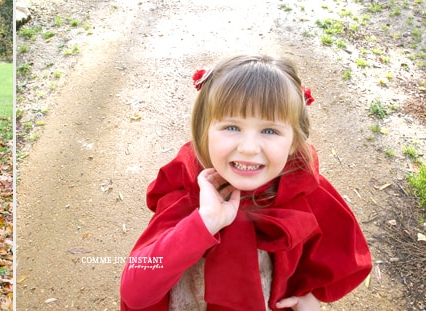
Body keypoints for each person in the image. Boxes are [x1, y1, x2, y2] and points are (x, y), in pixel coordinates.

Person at [119, 54, 372, 311]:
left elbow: (333, 257)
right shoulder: (189, 193)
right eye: (231, 127)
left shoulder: (307, 194)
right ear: (203, 131)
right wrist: (204, 223)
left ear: (294, 141)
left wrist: (312, 300)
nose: (249, 148)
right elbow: (135, 292)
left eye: (270, 131)